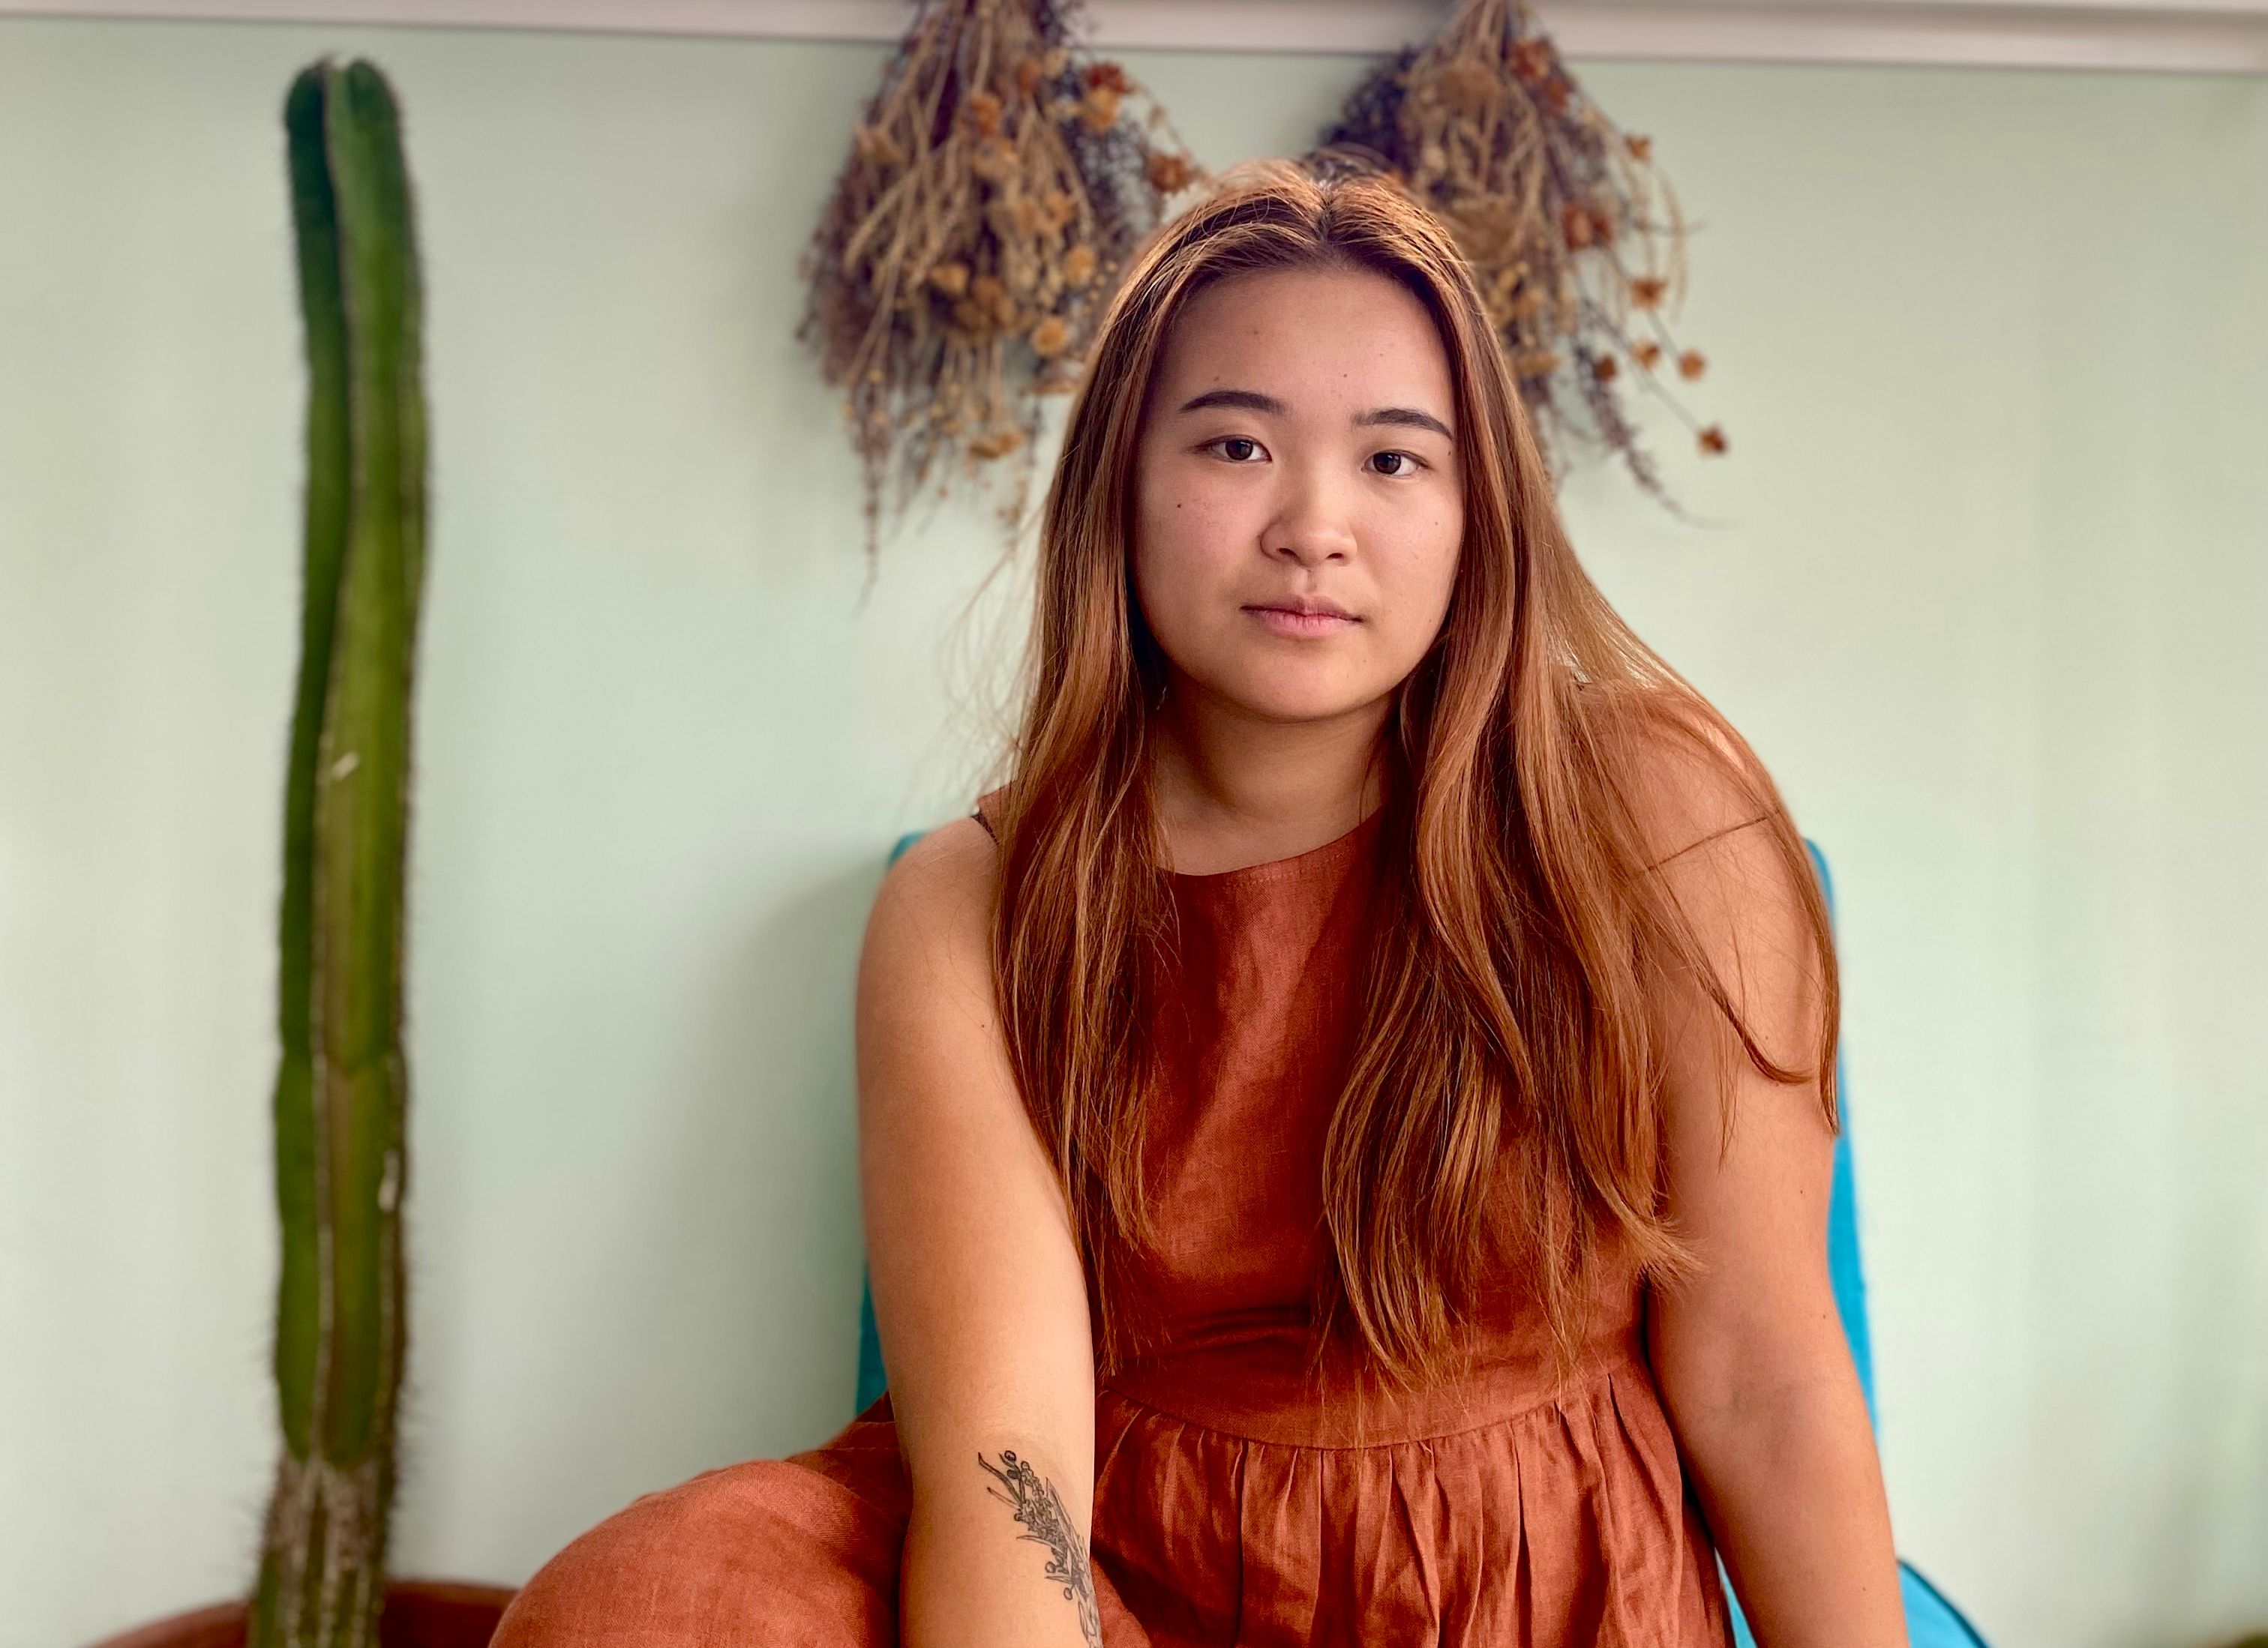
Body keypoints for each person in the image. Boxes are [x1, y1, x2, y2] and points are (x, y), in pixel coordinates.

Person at [491, 156, 1905, 1648]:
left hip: (1532, 1591)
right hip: (1123, 1579)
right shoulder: (974, 902)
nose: (1312, 523)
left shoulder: (1659, 809)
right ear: (1125, 481)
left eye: (1394, 459)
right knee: (639, 1610)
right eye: (1236, 447)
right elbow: (1008, 1469)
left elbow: (1765, 1372)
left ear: (1478, 510)